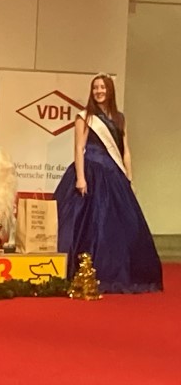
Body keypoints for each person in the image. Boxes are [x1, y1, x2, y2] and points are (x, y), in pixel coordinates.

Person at [53, 73, 162, 293]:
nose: (99, 91)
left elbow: (125, 150)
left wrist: (129, 178)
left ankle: (116, 271)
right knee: (86, 225)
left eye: (102, 87)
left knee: (121, 227)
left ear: (110, 90)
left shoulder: (120, 118)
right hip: (90, 172)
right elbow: (79, 148)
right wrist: (81, 177)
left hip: (114, 175)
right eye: (95, 88)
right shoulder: (85, 117)